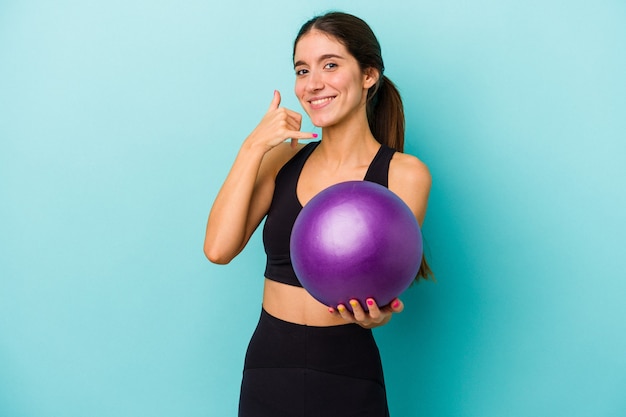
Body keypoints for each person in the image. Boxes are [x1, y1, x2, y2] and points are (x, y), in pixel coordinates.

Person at [204, 11, 432, 417]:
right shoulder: (281, 160)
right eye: (302, 69)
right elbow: (218, 249)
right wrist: (253, 148)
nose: (313, 84)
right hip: (269, 365)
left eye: (330, 65)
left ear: (368, 76)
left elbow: (386, 282)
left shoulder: (405, 174)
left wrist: (375, 316)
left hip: (347, 369)